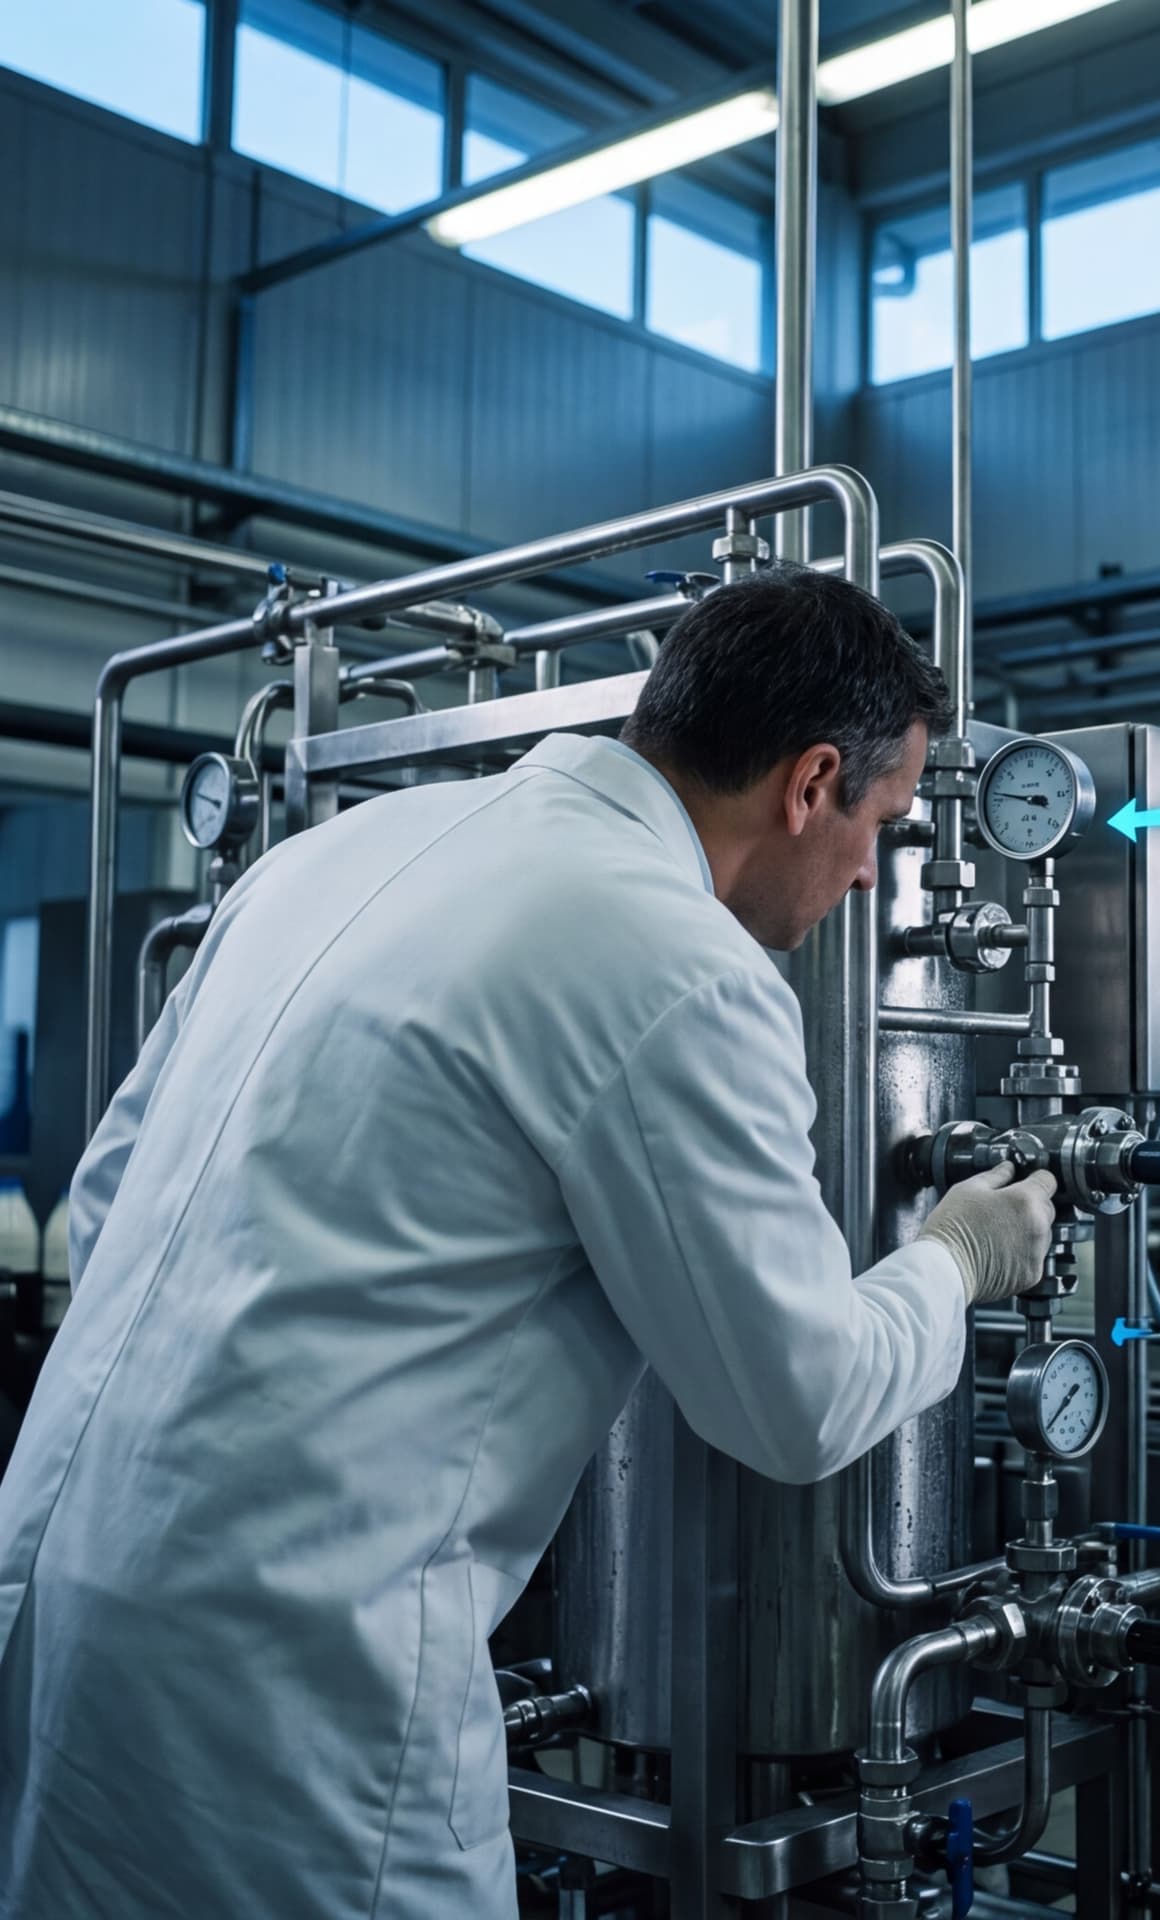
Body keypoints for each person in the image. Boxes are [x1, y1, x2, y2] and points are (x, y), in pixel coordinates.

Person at [0, 564, 1057, 1920]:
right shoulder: (672, 959)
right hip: (291, 1688)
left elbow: (105, 1195)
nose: (869, 873)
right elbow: (796, 1401)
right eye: (884, 822)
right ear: (808, 785)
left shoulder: (325, 857)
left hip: (61, 1588)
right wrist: (964, 1252)